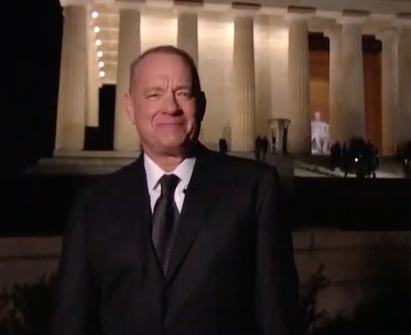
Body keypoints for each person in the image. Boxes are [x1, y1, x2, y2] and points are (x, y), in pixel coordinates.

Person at [52, 45, 299, 335]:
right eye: (154, 94)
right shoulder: (94, 204)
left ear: (202, 104)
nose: (171, 107)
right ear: (130, 107)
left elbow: (277, 316)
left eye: (183, 92)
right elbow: (72, 320)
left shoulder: (253, 190)